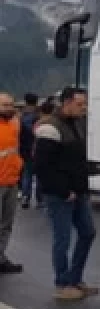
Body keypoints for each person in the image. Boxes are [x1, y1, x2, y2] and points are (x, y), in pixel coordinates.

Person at [34, 87, 97, 302]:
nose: (83, 109)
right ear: (67, 102)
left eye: (85, 104)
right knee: (62, 238)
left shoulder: (77, 125)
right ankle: (62, 282)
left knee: (88, 232)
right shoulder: (50, 128)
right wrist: (62, 189)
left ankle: (74, 278)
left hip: (79, 191)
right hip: (60, 194)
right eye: (80, 104)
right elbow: (43, 165)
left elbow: (75, 159)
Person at [0, 93, 24, 274]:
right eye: (5, 105)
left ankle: (1, 257)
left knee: (7, 223)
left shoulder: (15, 123)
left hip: (11, 180)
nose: (10, 108)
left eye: (11, 105)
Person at [19, 92, 40, 209]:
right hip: (37, 148)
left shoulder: (20, 117)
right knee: (39, 174)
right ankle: (39, 199)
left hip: (24, 149)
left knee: (26, 173)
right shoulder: (38, 117)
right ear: (36, 102)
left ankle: (25, 197)